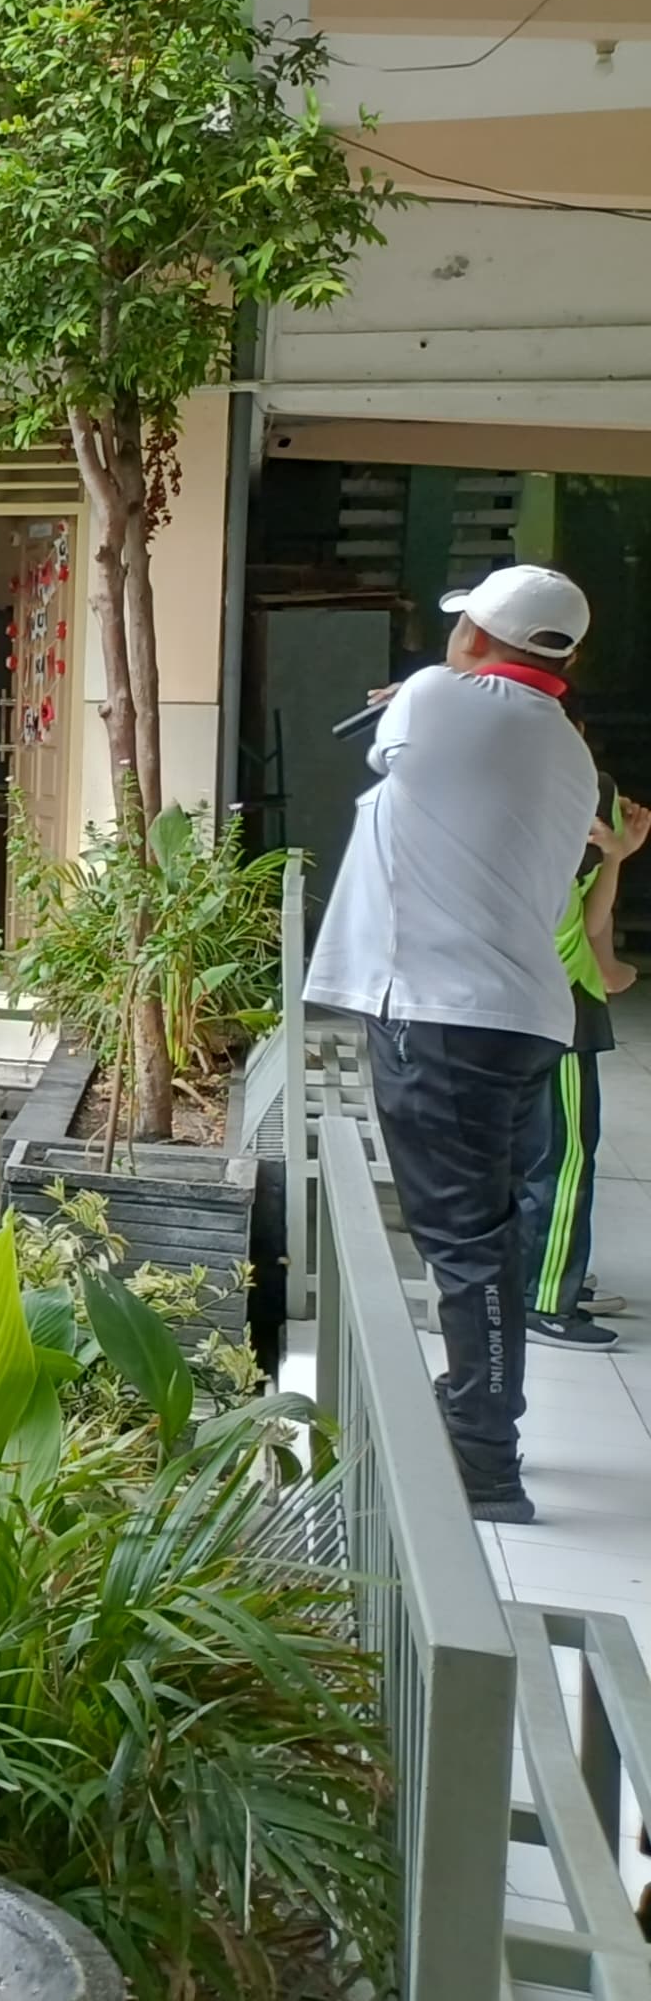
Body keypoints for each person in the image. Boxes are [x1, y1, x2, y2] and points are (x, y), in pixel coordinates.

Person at [307, 565, 609, 1520]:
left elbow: (389, 747)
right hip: (519, 1017)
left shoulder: (436, 699)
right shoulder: (565, 746)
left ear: (476, 637)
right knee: (494, 1231)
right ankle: (476, 1409)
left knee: (464, 1244)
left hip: (445, 1016)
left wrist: (422, 693)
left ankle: (485, 1459)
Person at [529, 783, 648, 1349]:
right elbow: (599, 965)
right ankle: (547, 1299)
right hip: (561, 1021)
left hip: (552, 1016)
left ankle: (557, 1279)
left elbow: (591, 919)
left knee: (549, 1158)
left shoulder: (545, 841)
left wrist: (614, 858)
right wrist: (613, 973)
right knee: (565, 1162)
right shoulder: (544, 843)